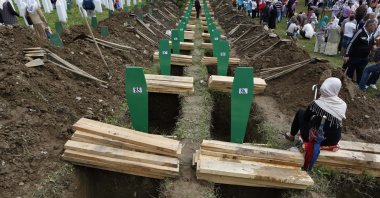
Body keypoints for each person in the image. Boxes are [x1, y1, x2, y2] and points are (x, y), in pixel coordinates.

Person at [285, 77, 347, 147]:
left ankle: (291, 135)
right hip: (333, 141)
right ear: (337, 89)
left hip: (314, 139)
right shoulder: (343, 105)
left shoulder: (316, 104)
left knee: (300, 112)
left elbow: (306, 118)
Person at [344, 19, 378, 83]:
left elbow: (373, 43)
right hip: (354, 57)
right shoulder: (360, 32)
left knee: (360, 74)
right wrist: (346, 55)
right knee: (349, 74)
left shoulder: (371, 35)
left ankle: (359, 89)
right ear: (370, 25)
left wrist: (374, 46)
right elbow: (351, 43)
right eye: (375, 26)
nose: (375, 28)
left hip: (364, 58)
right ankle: (346, 86)